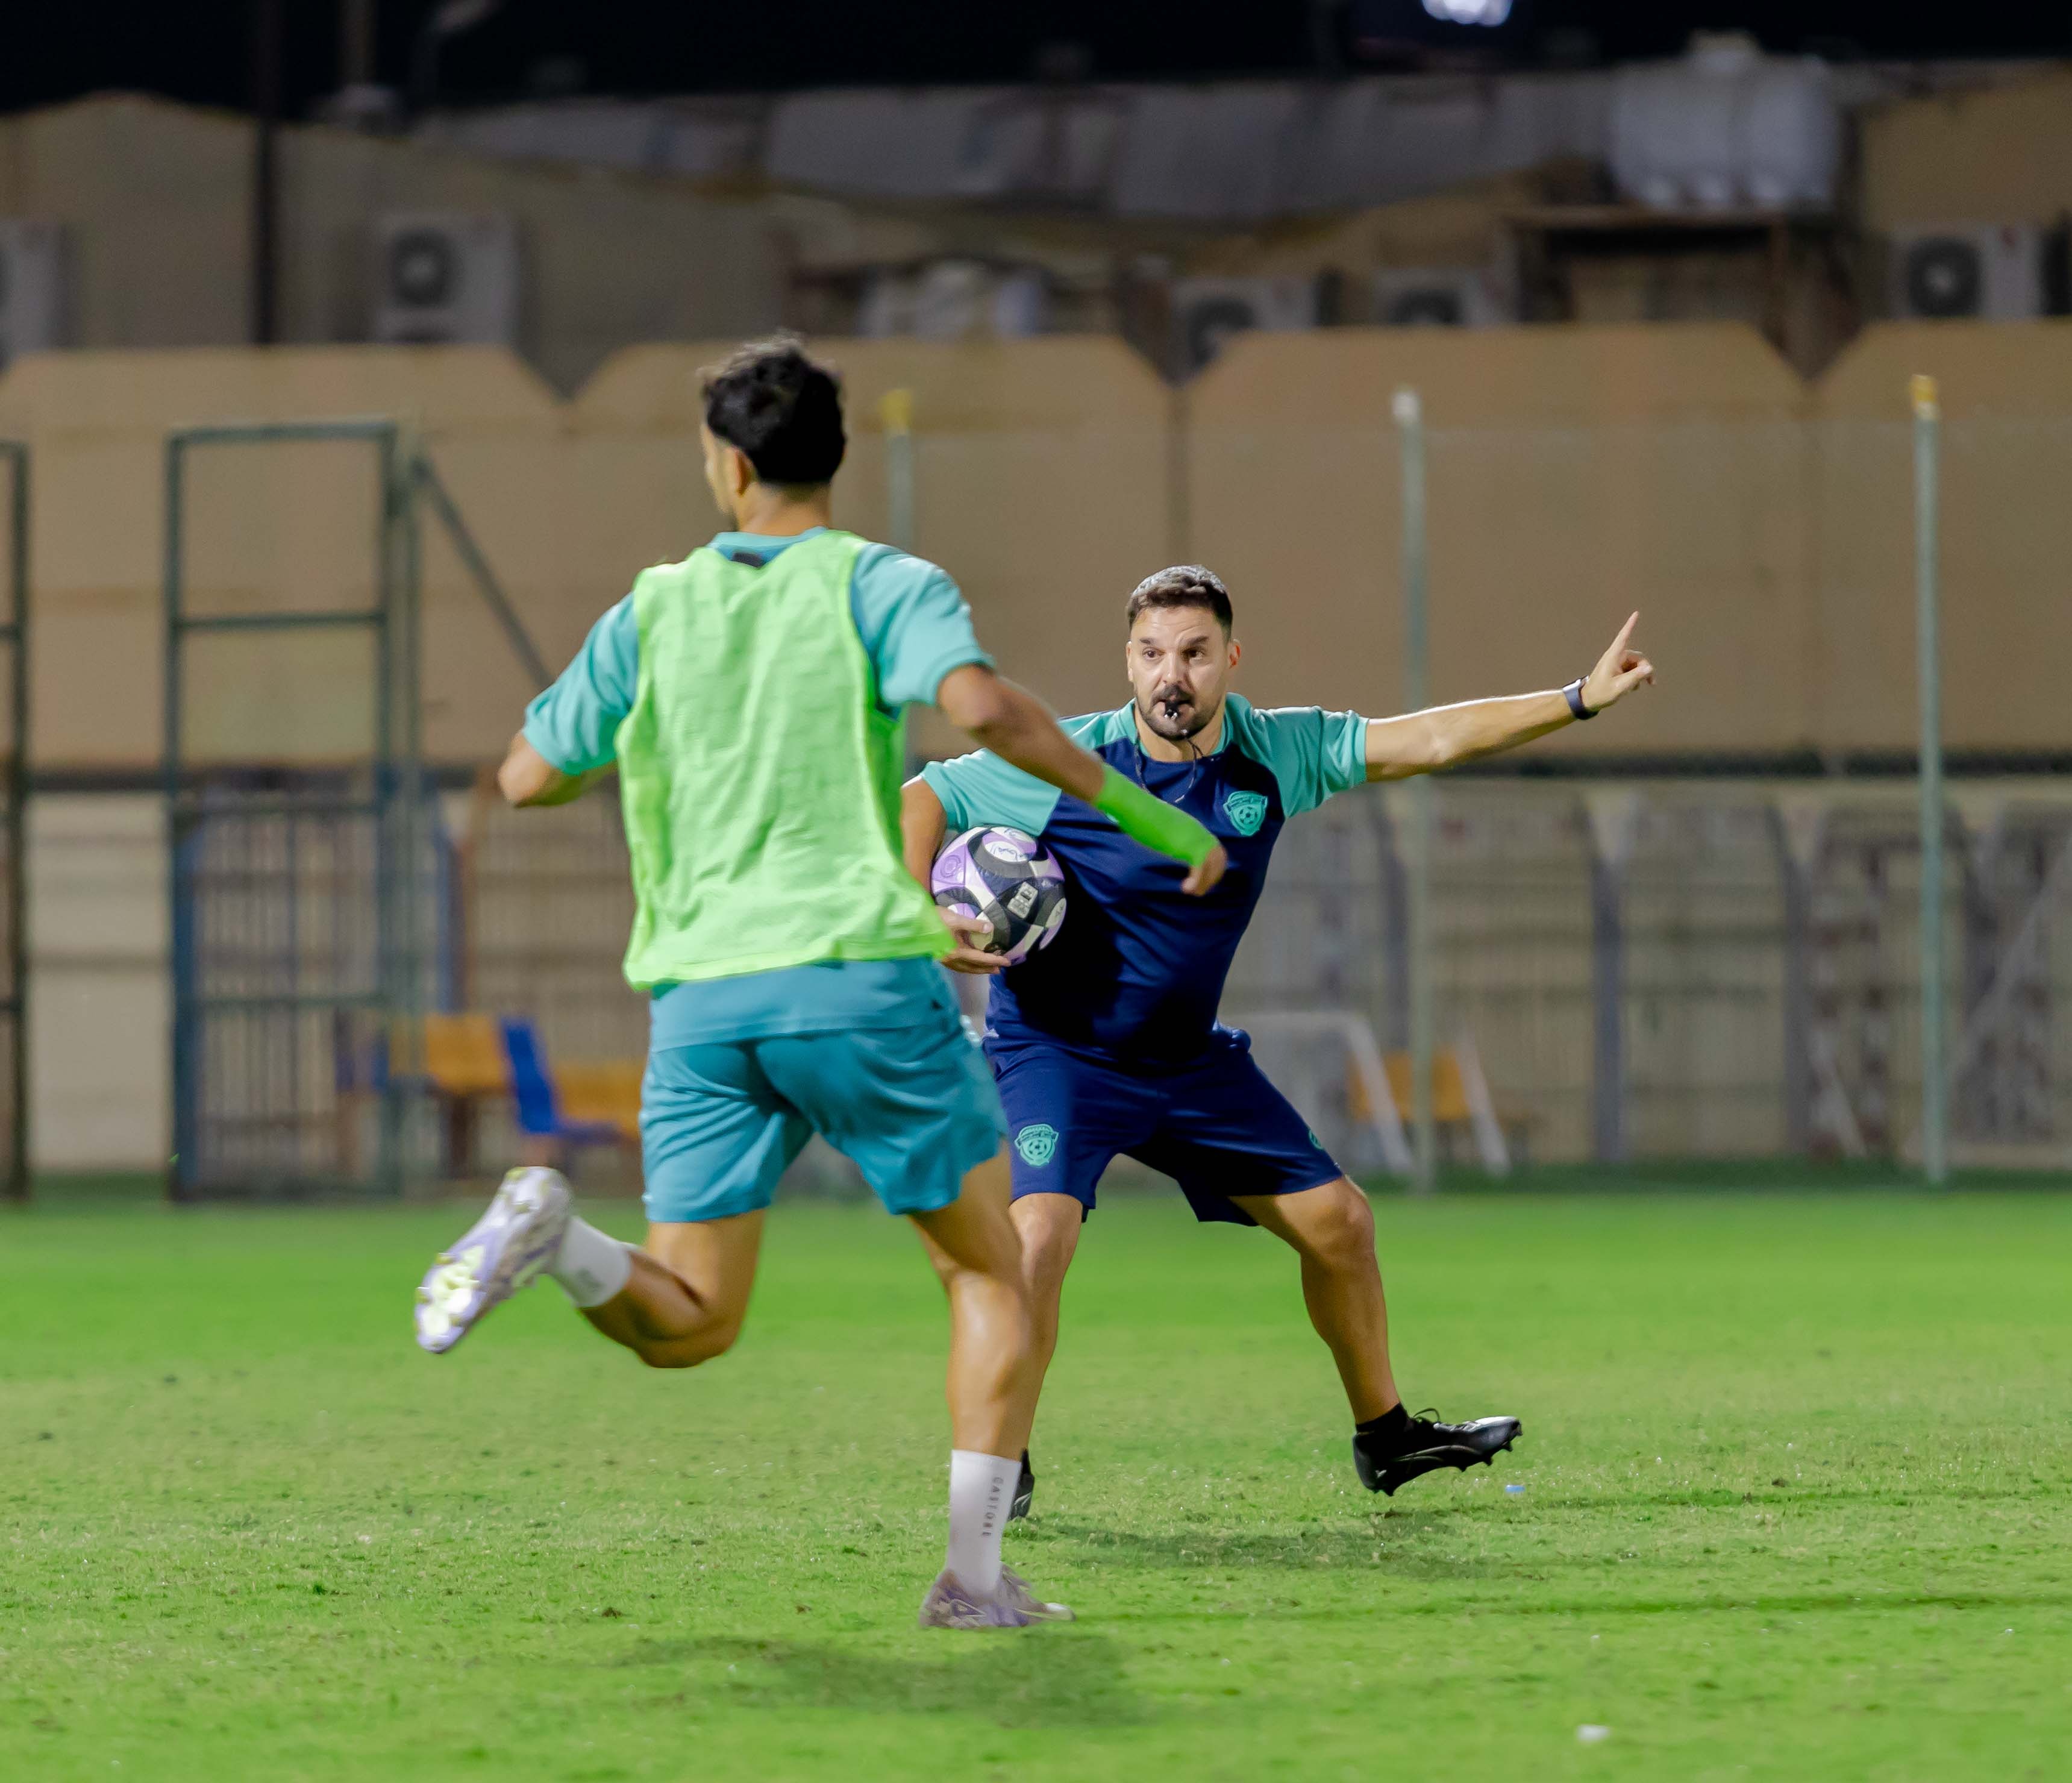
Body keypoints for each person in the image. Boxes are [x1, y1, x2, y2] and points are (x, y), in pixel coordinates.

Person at [411, 340, 1226, 1630]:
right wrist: (1152, 814)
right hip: (855, 983)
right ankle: (971, 1581)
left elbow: (526, 777)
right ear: (831, 460)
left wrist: (636, 744)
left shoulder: (652, 610)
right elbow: (982, 710)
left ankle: (557, 1236)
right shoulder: (881, 583)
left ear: (728, 466)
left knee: (692, 1318)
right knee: (991, 1276)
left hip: (701, 1000)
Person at [901, 565, 1654, 1512]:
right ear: (1127, 662)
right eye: (1151, 654)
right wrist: (916, 908)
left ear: (1231, 658)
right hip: (1056, 1054)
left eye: (1194, 653)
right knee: (1039, 1236)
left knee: (1342, 1225)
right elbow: (925, 795)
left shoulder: (1275, 753)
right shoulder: (1070, 763)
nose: (1171, 675)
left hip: (1185, 1062)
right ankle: (1001, 1464)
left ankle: (1387, 1439)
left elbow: (1428, 738)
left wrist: (1578, 700)